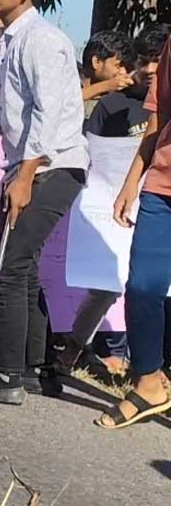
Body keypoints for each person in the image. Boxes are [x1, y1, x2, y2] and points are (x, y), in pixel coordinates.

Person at [0, 0, 89, 404]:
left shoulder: (41, 39)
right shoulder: (11, 40)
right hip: (37, 164)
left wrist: (26, 174)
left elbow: (49, 112)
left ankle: (6, 376)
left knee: (9, 266)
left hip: (52, 166)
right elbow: (24, 106)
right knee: (24, 265)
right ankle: (36, 367)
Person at [58, 24, 171, 377]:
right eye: (144, 60)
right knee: (106, 284)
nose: (150, 69)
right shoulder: (112, 105)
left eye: (157, 60)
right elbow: (92, 151)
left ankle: (151, 368)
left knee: (155, 287)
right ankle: (74, 348)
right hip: (117, 205)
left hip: (156, 201)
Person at [101, 28, 171, 428]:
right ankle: (148, 384)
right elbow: (158, 117)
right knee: (143, 287)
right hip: (162, 189)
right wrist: (132, 182)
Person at [81, 30, 137, 108]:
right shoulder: (68, 83)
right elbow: (69, 99)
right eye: (118, 65)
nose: (123, 72)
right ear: (96, 62)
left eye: (126, 67)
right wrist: (107, 85)